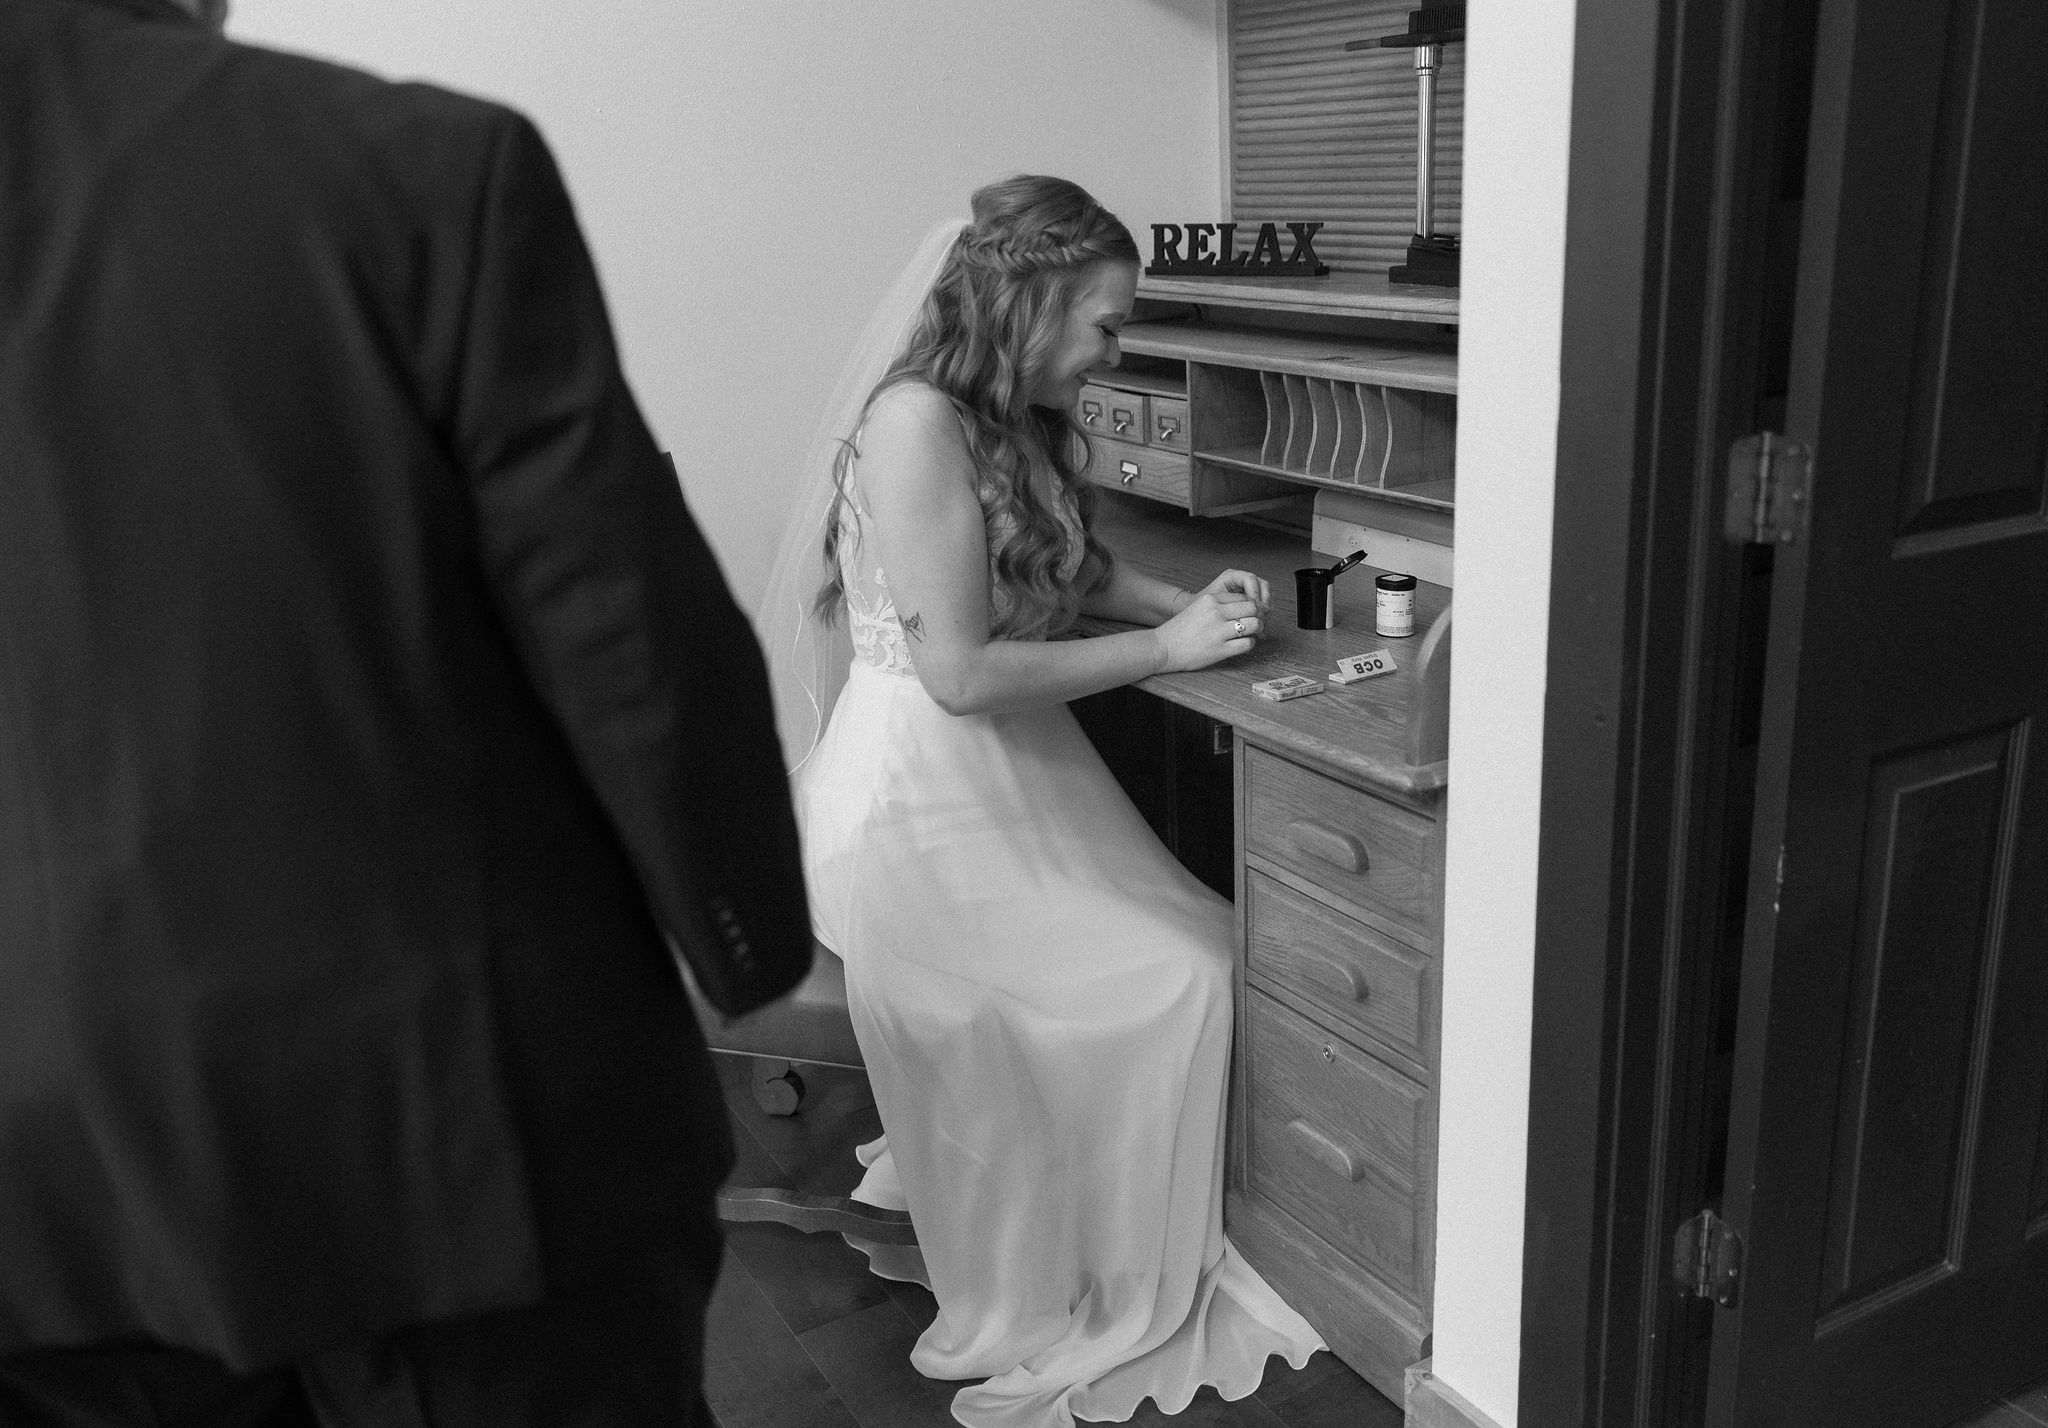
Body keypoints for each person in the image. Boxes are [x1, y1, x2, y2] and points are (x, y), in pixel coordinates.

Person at [0, 0, 813, 1423]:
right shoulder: (412, 171)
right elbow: (630, 642)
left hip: (40, 1202)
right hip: (451, 1146)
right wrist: (744, 937)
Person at [761, 175, 1326, 1428]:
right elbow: (959, 676)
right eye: (1105, 324)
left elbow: (1060, 560)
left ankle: (1182, 1209)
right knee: (1179, 977)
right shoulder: (913, 426)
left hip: (1004, 782)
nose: (1113, 352)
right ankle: (1093, 1256)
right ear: (1030, 304)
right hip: (915, 805)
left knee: (1209, 943)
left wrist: (1189, 605)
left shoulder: (997, 414)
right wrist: (1164, 653)